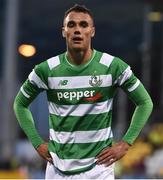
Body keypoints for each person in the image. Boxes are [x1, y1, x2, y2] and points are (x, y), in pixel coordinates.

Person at [13, 4, 153, 179]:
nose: (77, 30)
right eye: (71, 25)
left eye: (83, 25)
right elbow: (20, 104)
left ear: (92, 31)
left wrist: (125, 143)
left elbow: (145, 102)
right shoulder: (46, 70)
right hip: (57, 169)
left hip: (99, 169)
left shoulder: (113, 66)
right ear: (64, 31)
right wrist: (36, 142)